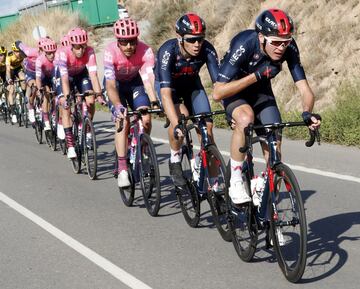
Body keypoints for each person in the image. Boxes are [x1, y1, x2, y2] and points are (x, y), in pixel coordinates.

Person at [213, 8, 321, 204]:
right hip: (233, 91)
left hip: (261, 93)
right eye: (276, 43)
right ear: (261, 37)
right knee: (245, 119)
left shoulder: (289, 47)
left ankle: (268, 210)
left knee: (274, 138)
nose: (281, 48)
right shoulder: (245, 43)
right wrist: (256, 76)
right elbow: (218, 92)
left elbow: (305, 89)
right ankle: (236, 181)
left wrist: (307, 112)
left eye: (286, 42)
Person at [154, 13, 219, 187]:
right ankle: (175, 159)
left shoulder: (207, 49)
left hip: (192, 85)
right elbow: (166, 94)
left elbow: (220, 86)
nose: (197, 44)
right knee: (181, 115)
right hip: (169, 86)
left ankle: (215, 184)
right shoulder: (167, 51)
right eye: (191, 40)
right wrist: (175, 125)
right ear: (179, 38)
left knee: (207, 128)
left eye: (200, 39)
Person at [105, 17, 158, 187]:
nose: (129, 46)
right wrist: (118, 105)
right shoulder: (110, 51)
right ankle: (122, 168)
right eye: (124, 42)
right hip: (117, 86)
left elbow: (149, 79)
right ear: (117, 41)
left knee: (146, 118)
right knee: (123, 120)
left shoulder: (146, 51)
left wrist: (155, 101)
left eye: (132, 42)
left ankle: (143, 149)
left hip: (136, 83)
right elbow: (111, 85)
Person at [56, 27, 103, 159]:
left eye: (83, 46)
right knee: (65, 107)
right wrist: (66, 97)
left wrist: (98, 94)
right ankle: (70, 145)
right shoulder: (63, 53)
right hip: (66, 77)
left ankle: (87, 127)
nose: (81, 50)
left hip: (81, 75)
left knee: (90, 100)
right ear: (71, 46)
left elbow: (93, 75)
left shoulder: (90, 51)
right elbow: (64, 78)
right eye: (77, 47)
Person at [35, 38, 57, 131]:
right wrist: (40, 89)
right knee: (47, 94)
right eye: (49, 53)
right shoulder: (40, 60)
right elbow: (38, 78)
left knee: (57, 94)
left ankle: (56, 114)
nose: (52, 55)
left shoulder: (58, 57)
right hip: (44, 78)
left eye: (53, 52)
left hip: (53, 76)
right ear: (45, 52)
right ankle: (46, 120)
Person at [6, 42, 26, 124]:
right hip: (10, 70)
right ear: (13, 51)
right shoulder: (9, 57)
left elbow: (27, 63)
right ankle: (13, 112)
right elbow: (7, 70)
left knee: (23, 79)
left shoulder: (23, 54)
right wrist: (9, 79)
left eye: (20, 51)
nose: (19, 53)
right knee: (12, 89)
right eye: (17, 52)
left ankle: (24, 97)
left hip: (18, 68)